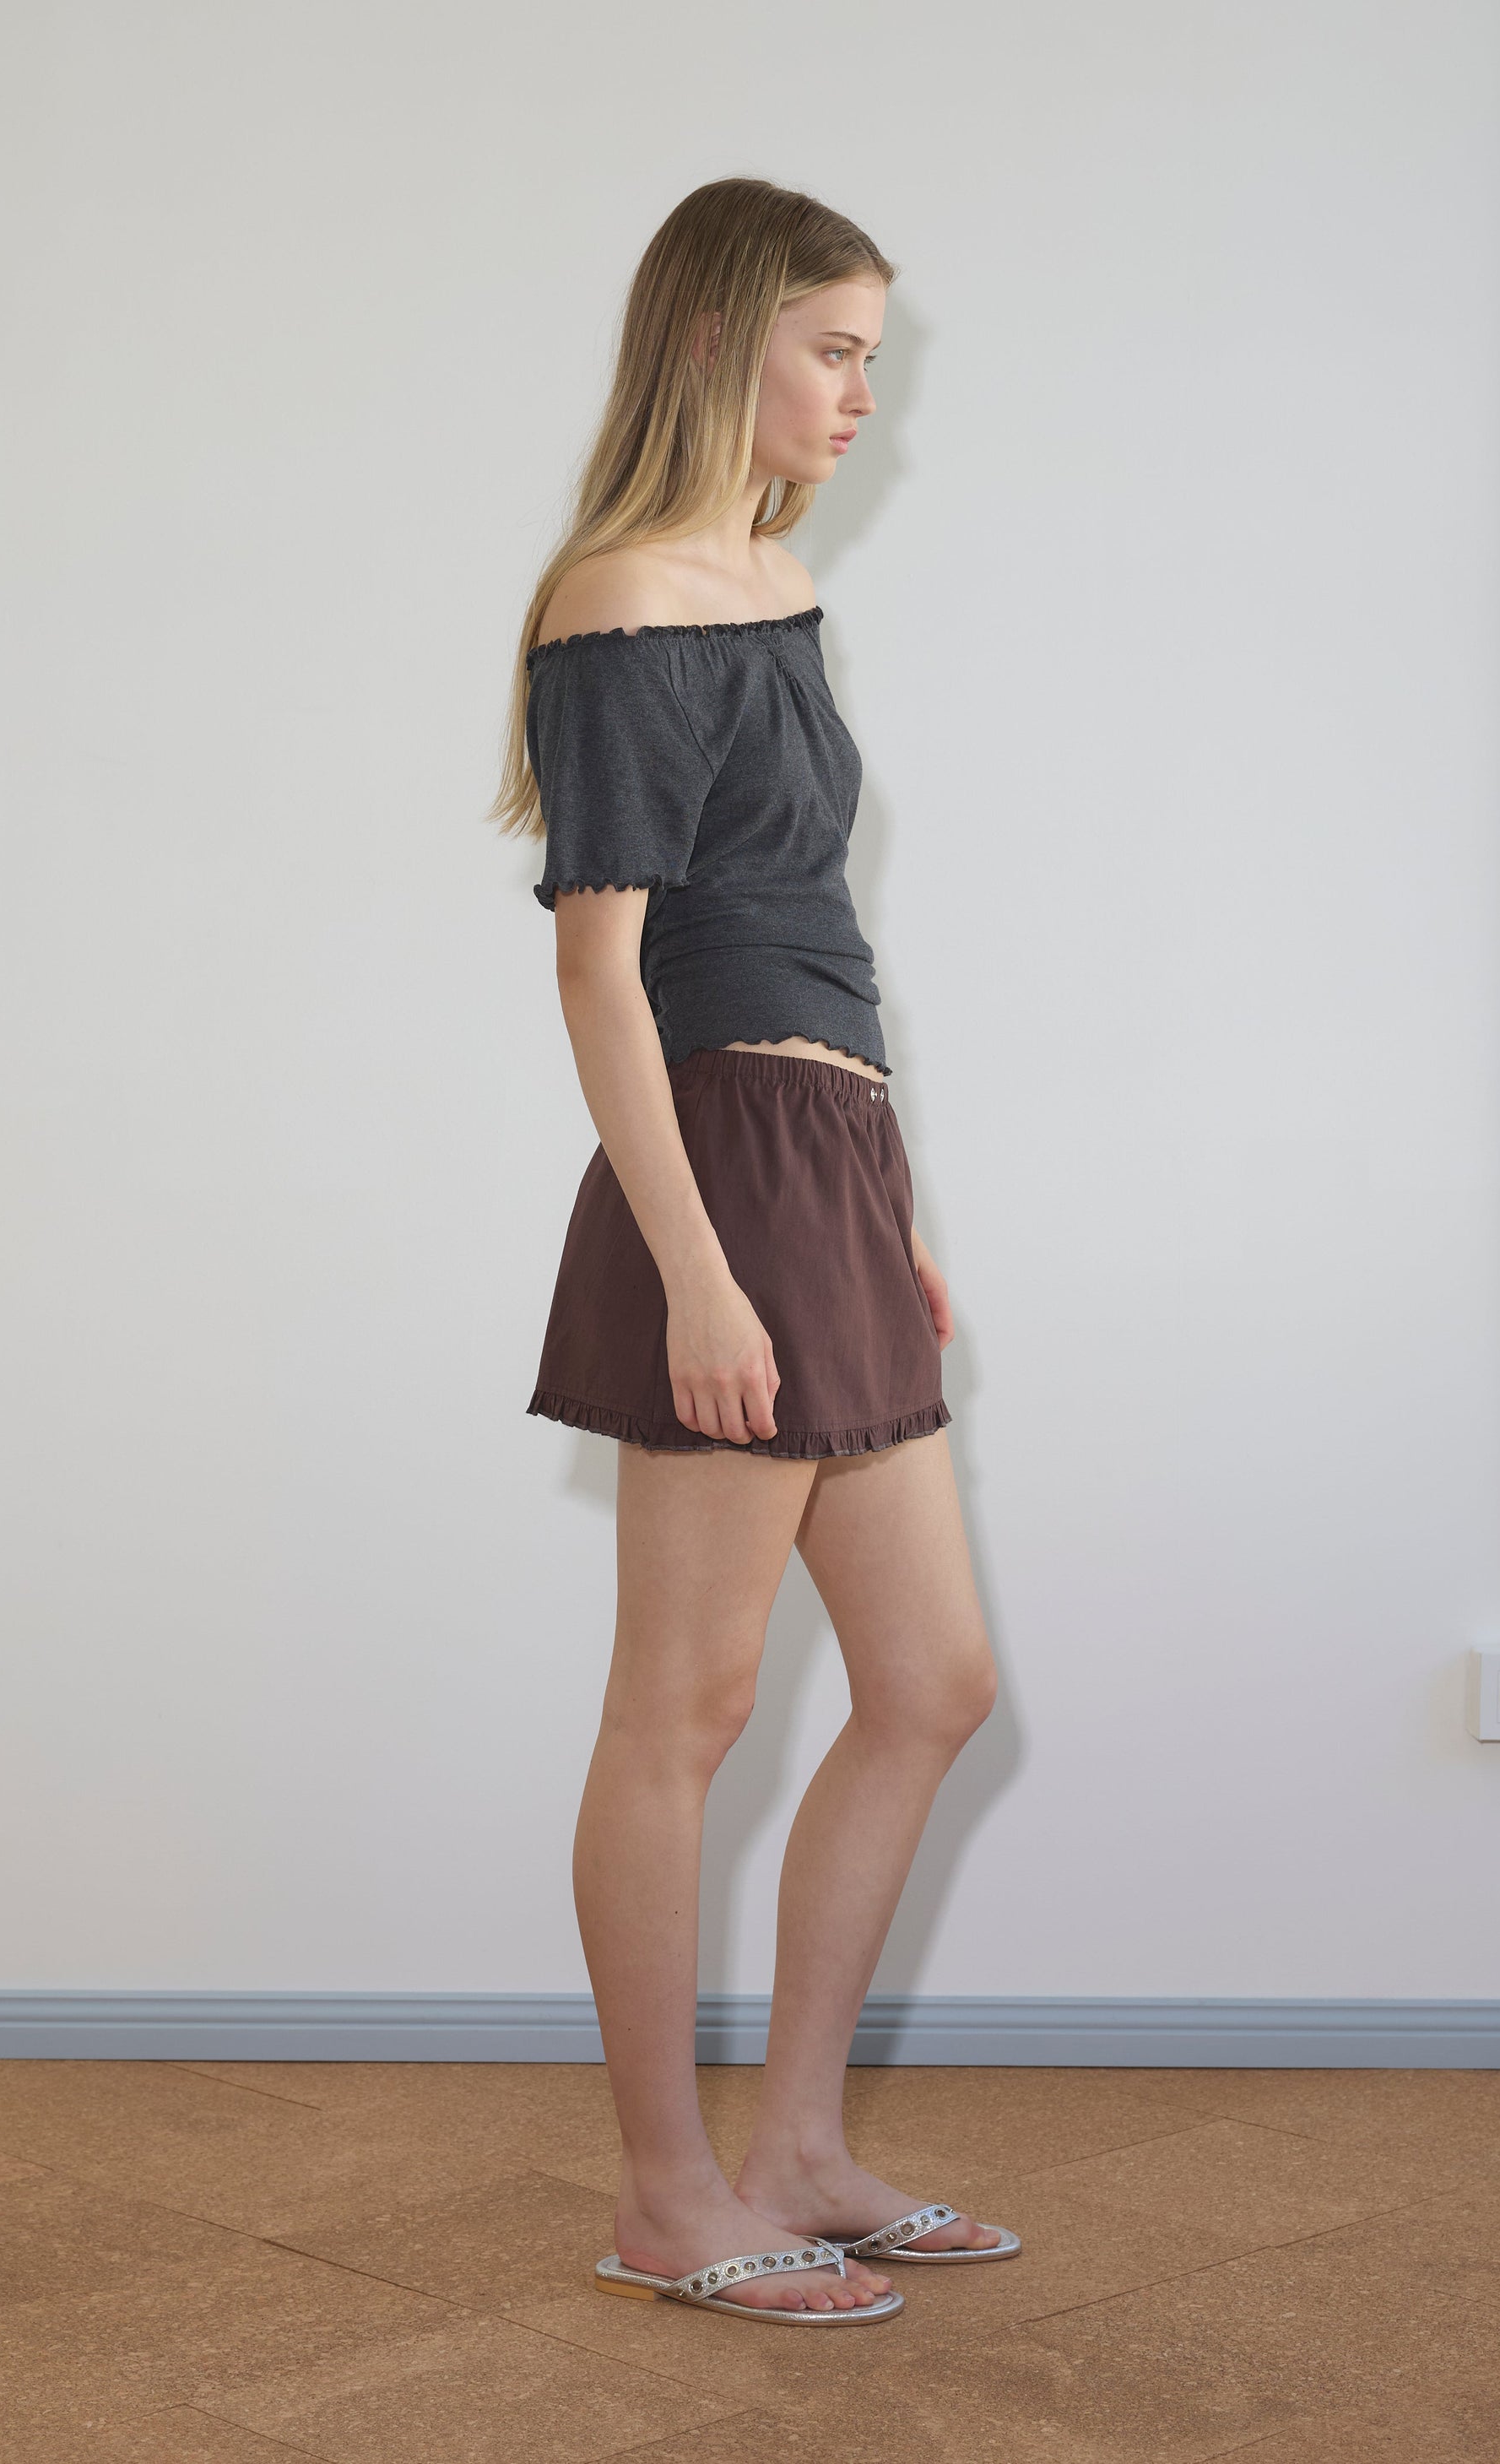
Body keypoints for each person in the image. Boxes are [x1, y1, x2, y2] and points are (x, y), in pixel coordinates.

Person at [495, 176, 1015, 2326]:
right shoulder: (622, 598)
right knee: (685, 1707)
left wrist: (888, 1217)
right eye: (834, 345)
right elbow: (603, 975)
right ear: (721, 345)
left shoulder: (772, 582)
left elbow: (819, 925)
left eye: (874, 351)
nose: (860, 391)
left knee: (931, 1680)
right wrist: (705, 1273)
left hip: (825, 1163)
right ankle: (662, 2188)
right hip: (717, 1165)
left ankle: (796, 2141)